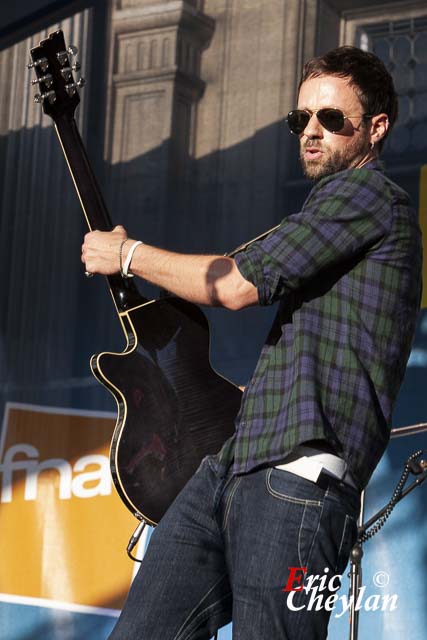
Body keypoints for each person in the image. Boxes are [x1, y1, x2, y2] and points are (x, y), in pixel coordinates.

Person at [81, 46, 422, 639]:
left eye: (331, 119)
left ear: (377, 127)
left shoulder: (370, 197)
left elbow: (235, 285)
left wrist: (127, 255)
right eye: (301, 120)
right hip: (234, 467)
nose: (311, 132)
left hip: (299, 480)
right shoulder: (329, 216)